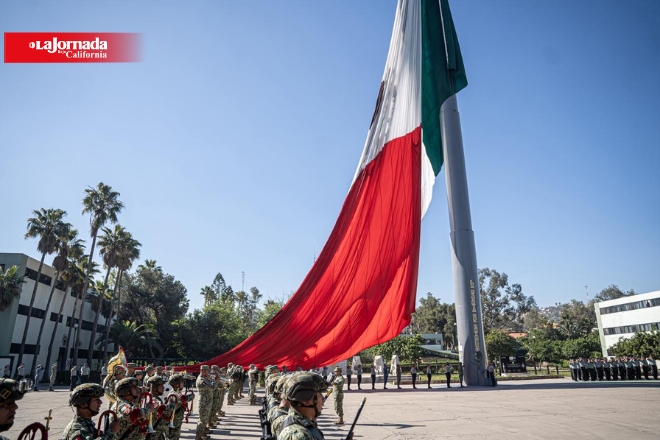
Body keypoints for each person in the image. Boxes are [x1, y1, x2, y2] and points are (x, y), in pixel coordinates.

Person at [278, 373, 345, 440]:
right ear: (306, 401)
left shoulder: (301, 424)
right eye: (319, 394)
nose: (323, 399)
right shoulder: (299, 435)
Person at [145, 375, 175, 440]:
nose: (163, 387)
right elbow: (161, 408)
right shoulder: (151, 399)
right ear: (154, 388)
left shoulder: (154, 397)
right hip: (153, 435)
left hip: (157, 433)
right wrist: (172, 404)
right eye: (161, 386)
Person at [195, 365, 215, 440]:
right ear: (203, 371)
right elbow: (212, 388)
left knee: (204, 420)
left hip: (207, 402)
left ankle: (202, 434)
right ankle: (198, 437)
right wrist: (215, 380)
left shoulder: (205, 378)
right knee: (202, 421)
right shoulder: (201, 380)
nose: (208, 372)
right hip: (203, 403)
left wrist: (210, 379)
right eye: (207, 371)